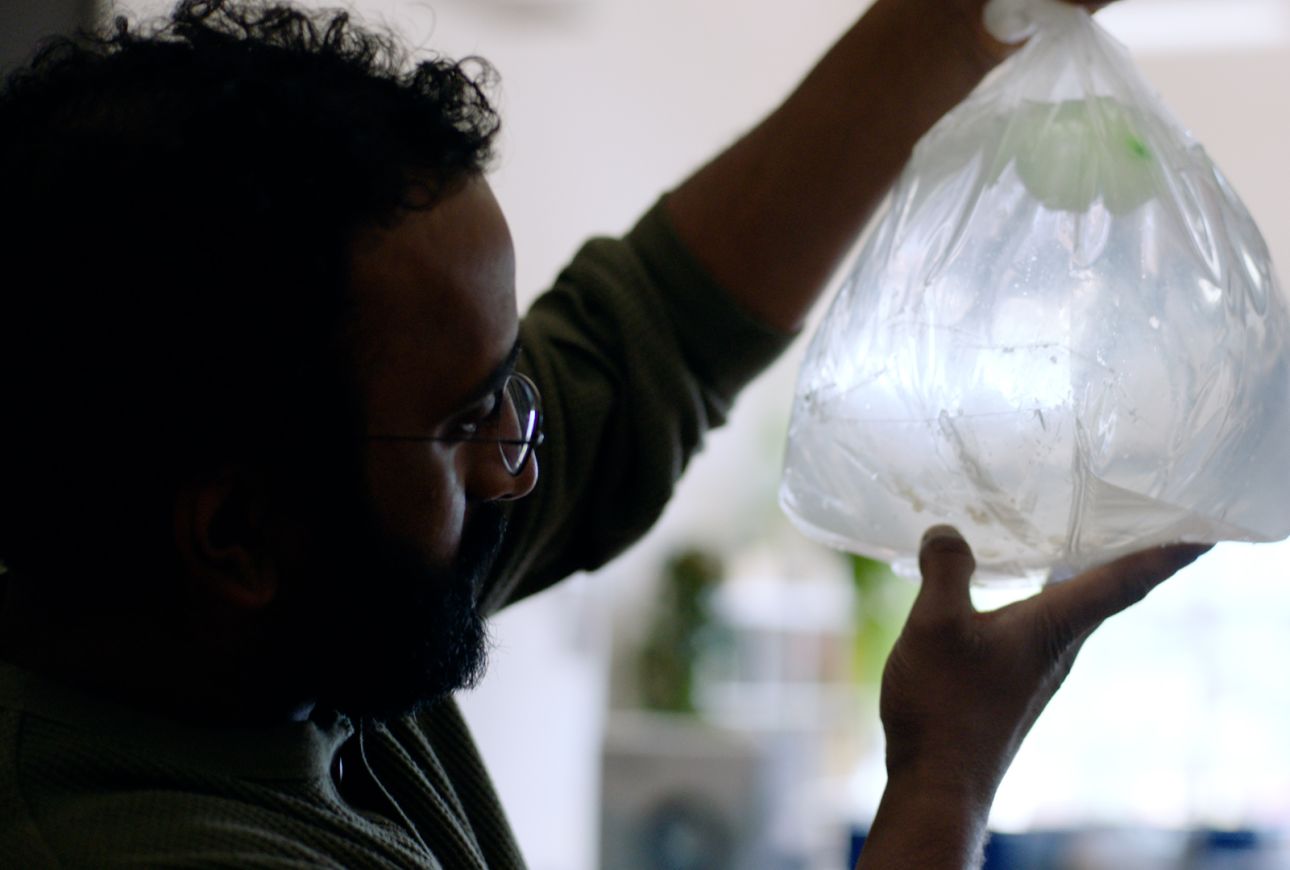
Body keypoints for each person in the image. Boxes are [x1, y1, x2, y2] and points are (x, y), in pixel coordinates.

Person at [0, 0, 1207, 866]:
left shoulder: (277, 632)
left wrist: (960, 17)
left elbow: (654, 341)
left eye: (510, 385)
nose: (522, 462)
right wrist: (945, 781)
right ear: (236, 535)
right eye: (468, 420)